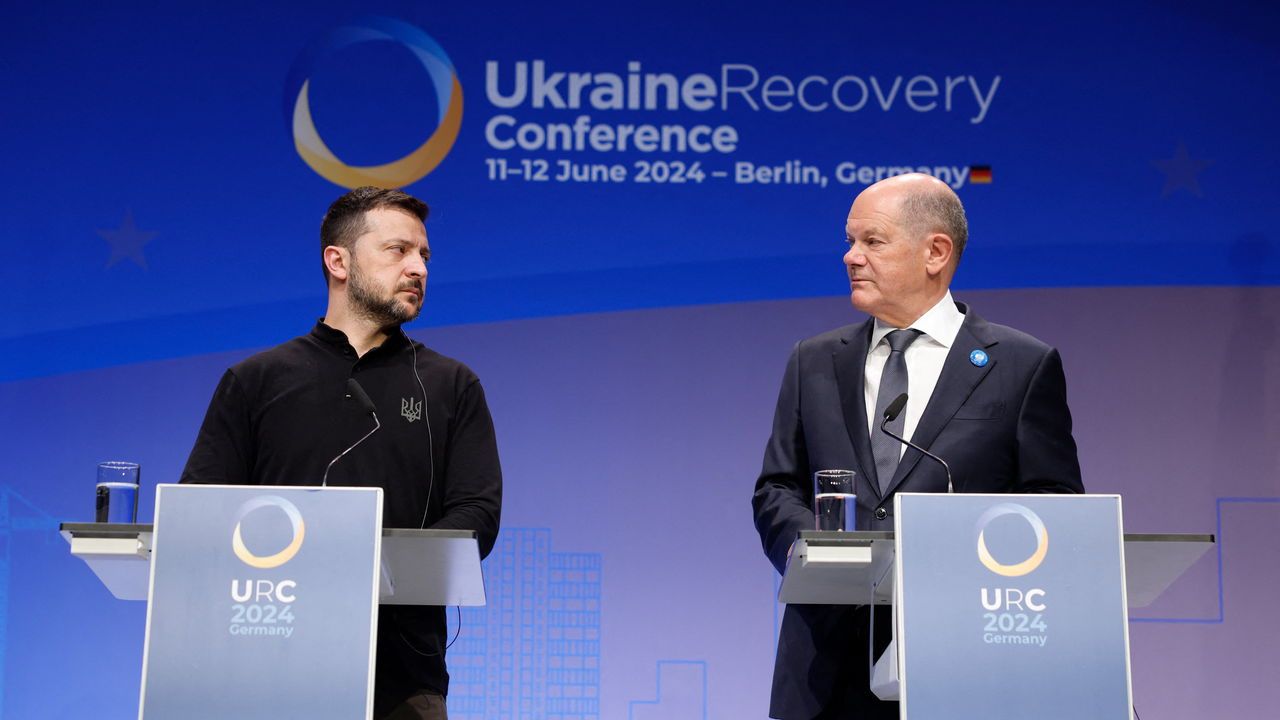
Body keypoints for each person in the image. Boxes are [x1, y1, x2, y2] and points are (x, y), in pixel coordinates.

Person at [751, 173, 1083, 719]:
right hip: (826, 669)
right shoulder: (815, 359)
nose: (851, 257)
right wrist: (805, 552)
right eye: (849, 240)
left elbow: (1053, 501)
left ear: (935, 252)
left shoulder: (1021, 365)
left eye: (872, 241)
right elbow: (777, 486)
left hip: (962, 660)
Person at [181, 186, 502, 720]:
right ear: (338, 260)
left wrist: (368, 560)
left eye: (424, 255)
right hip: (264, 661)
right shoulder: (257, 381)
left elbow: (476, 517)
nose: (418, 267)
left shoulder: (451, 385)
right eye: (397, 250)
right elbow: (202, 509)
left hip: (401, 675)